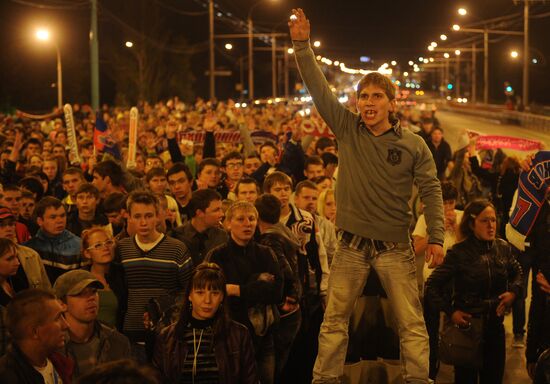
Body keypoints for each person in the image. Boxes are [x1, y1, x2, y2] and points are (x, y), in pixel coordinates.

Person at [289, 9, 444, 383]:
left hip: (395, 249)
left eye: (376, 96)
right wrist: (301, 44)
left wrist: (437, 236)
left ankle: (417, 380)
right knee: (334, 323)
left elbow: (431, 190)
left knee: (412, 324)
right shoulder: (346, 128)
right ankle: (324, 379)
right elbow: (317, 87)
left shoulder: (413, 145)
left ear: (392, 103)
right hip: (350, 247)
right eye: (363, 96)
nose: (368, 102)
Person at [425, 199, 523, 384]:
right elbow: (431, 286)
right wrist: (451, 311)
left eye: (493, 220)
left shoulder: (502, 248)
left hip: (495, 328)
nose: (491, 225)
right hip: (468, 330)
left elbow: (517, 272)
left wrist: (514, 292)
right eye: (484, 220)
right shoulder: (459, 253)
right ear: (472, 223)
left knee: (493, 379)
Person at [206, 201, 283, 384]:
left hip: (263, 335)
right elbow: (215, 293)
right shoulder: (218, 256)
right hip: (229, 334)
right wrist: (257, 283)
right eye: (240, 219)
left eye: (251, 219)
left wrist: (238, 289)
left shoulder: (266, 253)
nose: (247, 223)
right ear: (228, 223)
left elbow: (276, 292)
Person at [115, 191, 193, 360]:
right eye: (137, 216)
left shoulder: (177, 249)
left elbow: (189, 291)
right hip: (131, 333)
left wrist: (164, 310)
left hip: (168, 333)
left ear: (158, 217)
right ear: (129, 217)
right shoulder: (122, 248)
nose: (143, 222)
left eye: (149, 216)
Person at [153, 262, 259, 383]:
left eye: (214, 293)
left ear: (222, 297)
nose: (207, 300)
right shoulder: (168, 337)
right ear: (189, 295)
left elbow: (251, 379)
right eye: (200, 292)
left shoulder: (239, 334)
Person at [255, 194, 302, 382]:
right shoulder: (284, 231)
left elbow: (286, 272)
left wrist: (283, 298)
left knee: (273, 367)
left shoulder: (269, 239)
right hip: (294, 309)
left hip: (285, 311)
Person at [53, 269, 131, 379]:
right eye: (80, 294)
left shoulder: (118, 342)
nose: (91, 298)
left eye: (94, 291)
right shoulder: (52, 345)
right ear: (62, 304)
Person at [0, 289, 73, 383]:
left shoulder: (61, 364)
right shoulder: (7, 377)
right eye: (57, 318)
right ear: (35, 332)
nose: (66, 325)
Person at [24, 196, 83, 283]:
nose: (59, 221)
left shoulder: (78, 245)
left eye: (62, 216)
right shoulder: (29, 248)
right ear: (40, 221)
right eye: (53, 217)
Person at [81, 227, 127, 330]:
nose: (105, 247)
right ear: (87, 253)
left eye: (108, 242)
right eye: (98, 245)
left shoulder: (122, 274)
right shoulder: (80, 278)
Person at [170, 189, 227, 266]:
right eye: (216, 210)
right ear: (199, 213)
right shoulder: (176, 237)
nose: (222, 214)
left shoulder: (222, 237)